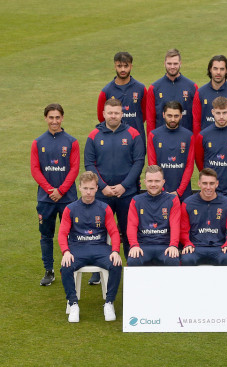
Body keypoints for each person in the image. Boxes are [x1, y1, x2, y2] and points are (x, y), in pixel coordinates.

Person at [84, 98, 145, 283]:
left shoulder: (133, 134)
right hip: (102, 196)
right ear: (103, 114)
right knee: (99, 233)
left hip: (127, 194)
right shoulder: (94, 135)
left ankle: (131, 269)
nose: (113, 116)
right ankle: (98, 270)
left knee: (129, 232)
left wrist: (123, 186)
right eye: (110, 112)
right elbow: (89, 164)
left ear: (122, 114)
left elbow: (139, 162)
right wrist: (103, 187)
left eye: (116, 112)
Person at [58, 171, 122, 323]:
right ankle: (73, 303)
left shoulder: (104, 208)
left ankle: (109, 302)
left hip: (100, 248)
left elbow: (113, 231)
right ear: (79, 187)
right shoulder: (70, 209)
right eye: (85, 188)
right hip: (77, 249)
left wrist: (115, 251)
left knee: (116, 264)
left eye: (92, 189)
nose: (88, 192)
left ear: (97, 188)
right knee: (65, 266)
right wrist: (66, 251)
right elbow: (62, 234)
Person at [31, 103, 80, 286]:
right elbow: (35, 170)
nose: (54, 121)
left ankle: (72, 266)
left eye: (57, 117)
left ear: (62, 118)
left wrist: (61, 190)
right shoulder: (38, 142)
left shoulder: (71, 142)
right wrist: (50, 190)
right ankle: (49, 270)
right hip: (46, 198)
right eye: (51, 117)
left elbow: (74, 169)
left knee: (71, 234)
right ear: (46, 119)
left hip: (67, 198)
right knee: (46, 235)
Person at [194, 97, 227, 213]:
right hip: (210, 189)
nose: (221, 117)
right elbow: (199, 161)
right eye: (218, 113)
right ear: (212, 112)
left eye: (224, 113)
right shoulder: (203, 135)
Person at [180, 168, 227, 265]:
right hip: (195, 247)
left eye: (211, 183)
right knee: (187, 259)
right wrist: (187, 243)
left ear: (217, 184)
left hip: (219, 248)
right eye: (205, 183)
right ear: (199, 184)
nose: (208, 187)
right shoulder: (188, 203)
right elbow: (183, 230)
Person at [126, 166, 181, 266]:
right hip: (143, 245)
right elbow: (131, 225)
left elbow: (175, 225)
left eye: (157, 181)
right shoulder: (136, 201)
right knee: (133, 260)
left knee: (172, 260)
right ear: (145, 181)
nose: (153, 184)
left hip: (165, 245)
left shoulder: (172, 200)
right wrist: (134, 245)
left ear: (163, 182)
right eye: (150, 181)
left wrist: (173, 245)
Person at [147, 101, 195, 202]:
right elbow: (152, 165)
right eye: (169, 115)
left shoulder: (188, 136)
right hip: (160, 192)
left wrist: (179, 191)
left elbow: (189, 166)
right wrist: (162, 190)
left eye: (176, 116)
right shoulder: (154, 135)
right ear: (163, 115)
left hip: (183, 193)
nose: (173, 119)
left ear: (181, 116)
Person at [97, 52, 147, 145]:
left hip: (136, 140)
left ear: (131, 66)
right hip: (114, 141)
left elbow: (144, 115)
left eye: (126, 66)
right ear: (115, 66)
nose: (123, 69)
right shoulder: (106, 91)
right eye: (119, 66)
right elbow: (101, 118)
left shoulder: (141, 89)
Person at [146, 48, 198, 133]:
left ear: (180, 64)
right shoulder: (154, 88)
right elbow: (150, 120)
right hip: (161, 139)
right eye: (169, 63)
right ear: (164, 64)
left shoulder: (192, 87)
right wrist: (152, 140)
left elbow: (196, 119)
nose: (172, 67)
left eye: (175, 63)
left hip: (185, 139)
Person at [192, 55, 227, 135]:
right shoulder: (200, 93)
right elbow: (196, 122)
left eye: (222, 69)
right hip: (207, 141)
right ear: (210, 69)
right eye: (215, 68)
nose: (218, 72)